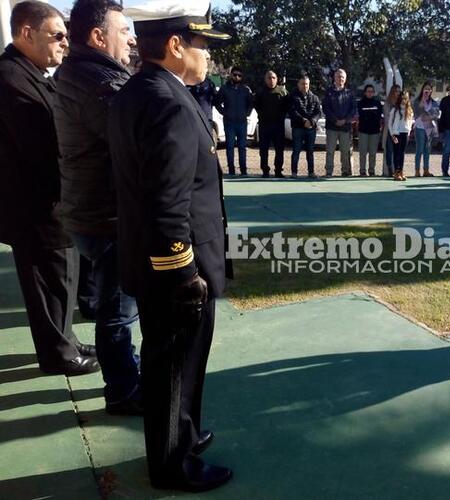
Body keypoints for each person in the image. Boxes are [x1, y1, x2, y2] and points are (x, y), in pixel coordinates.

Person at [108, 0, 233, 490]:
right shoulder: (169, 102)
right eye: (202, 46)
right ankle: (172, 463)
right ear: (176, 46)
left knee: (172, 360)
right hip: (178, 271)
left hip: (152, 261)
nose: (209, 57)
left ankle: (183, 434)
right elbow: (167, 204)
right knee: (175, 363)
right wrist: (183, 274)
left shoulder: (139, 91)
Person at [0, 0, 99, 376]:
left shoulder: (30, 73)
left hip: (50, 203)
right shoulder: (10, 77)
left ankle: (66, 340)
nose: (64, 44)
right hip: (35, 206)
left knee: (63, 277)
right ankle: (58, 353)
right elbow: (42, 145)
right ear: (27, 33)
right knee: (49, 281)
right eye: (57, 35)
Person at [53, 0, 142, 413]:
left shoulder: (84, 72)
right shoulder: (98, 82)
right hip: (105, 216)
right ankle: (123, 390)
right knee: (118, 312)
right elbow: (136, 140)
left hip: (93, 211)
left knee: (115, 306)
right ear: (97, 37)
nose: (132, 39)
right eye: (124, 31)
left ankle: (125, 372)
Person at [214, 66, 252, 175]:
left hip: (242, 122)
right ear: (231, 75)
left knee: (242, 147)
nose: (237, 77)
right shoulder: (224, 89)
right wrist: (224, 112)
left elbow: (250, 104)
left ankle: (243, 170)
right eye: (235, 74)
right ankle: (231, 170)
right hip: (229, 122)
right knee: (230, 146)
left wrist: (247, 113)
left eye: (239, 75)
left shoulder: (245, 89)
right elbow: (216, 103)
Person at [254, 70, 289, 178]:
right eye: (269, 78)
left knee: (279, 149)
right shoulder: (260, 92)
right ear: (265, 79)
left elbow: (287, 105)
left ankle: (278, 170)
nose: (271, 80)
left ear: (277, 79)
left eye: (273, 77)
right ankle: (265, 170)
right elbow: (256, 105)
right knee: (263, 150)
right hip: (264, 125)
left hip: (278, 126)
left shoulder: (282, 91)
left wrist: (282, 116)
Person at [323, 68, 357, 176]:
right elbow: (326, 108)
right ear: (334, 77)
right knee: (330, 151)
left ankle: (345, 171)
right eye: (338, 76)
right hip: (332, 127)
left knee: (345, 152)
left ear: (345, 79)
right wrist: (335, 120)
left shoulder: (350, 93)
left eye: (342, 77)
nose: (340, 78)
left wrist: (345, 120)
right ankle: (329, 171)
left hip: (345, 127)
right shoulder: (328, 92)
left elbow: (353, 110)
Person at [288, 75, 322, 178]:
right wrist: (303, 121)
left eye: (306, 84)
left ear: (309, 84)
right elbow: (292, 112)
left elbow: (318, 112)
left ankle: (311, 172)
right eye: (302, 83)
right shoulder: (293, 97)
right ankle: (294, 173)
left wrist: (312, 121)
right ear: (298, 84)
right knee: (296, 151)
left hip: (311, 129)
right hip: (298, 128)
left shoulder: (314, 97)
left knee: (310, 151)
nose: (304, 86)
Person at [412, 81, 439, 177]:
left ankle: (426, 170)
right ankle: (417, 170)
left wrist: (429, 117)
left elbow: (436, 114)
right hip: (419, 128)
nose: (427, 91)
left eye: (429, 89)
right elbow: (417, 111)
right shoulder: (417, 101)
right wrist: (423, 100)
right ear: (422, 89)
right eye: (425, 89)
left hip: (429, 128)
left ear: (431, 91)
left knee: (427, 150)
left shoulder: (433, 102)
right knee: (419, 149)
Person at [357, 84, 383, 176]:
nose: (370, 93)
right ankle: (362, 171)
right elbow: (357, 117)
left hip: (375, 132)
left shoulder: (378, 104)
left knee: (373, 152)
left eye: (372, 91)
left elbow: (380, 117)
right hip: (363, 131)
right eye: (368, 91)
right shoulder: (360, 103)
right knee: (363, 153)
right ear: (365, 92)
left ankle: (371, 170)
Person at [388, 90, 414, 181]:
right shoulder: (395, 109)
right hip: (396, 134)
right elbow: (390, 123)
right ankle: (396, 172)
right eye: (402, 98)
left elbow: (411, 122)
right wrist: (392, 134)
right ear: (400, 98)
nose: (404, 100)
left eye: (406, 98)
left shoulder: (409, 110)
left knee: (402, 153)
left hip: (405, 133)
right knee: (396, 153)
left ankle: (401, 171)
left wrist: (409, 131)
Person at [188, 75, 217, 142]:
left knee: (208, 143)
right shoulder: (188, 82)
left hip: (207, 118)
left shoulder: (209, 83)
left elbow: (216, 100)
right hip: (192, 118)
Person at [382, 84, 401, 177]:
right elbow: (387, 118)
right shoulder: (387, 103)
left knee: (398, 151)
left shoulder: (402, 103)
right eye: (396, 91)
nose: (397, 93)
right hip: (390, 130)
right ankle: (390, 170)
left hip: (400, 131)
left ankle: (398, 171)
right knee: (389, 151)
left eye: (399, 91)